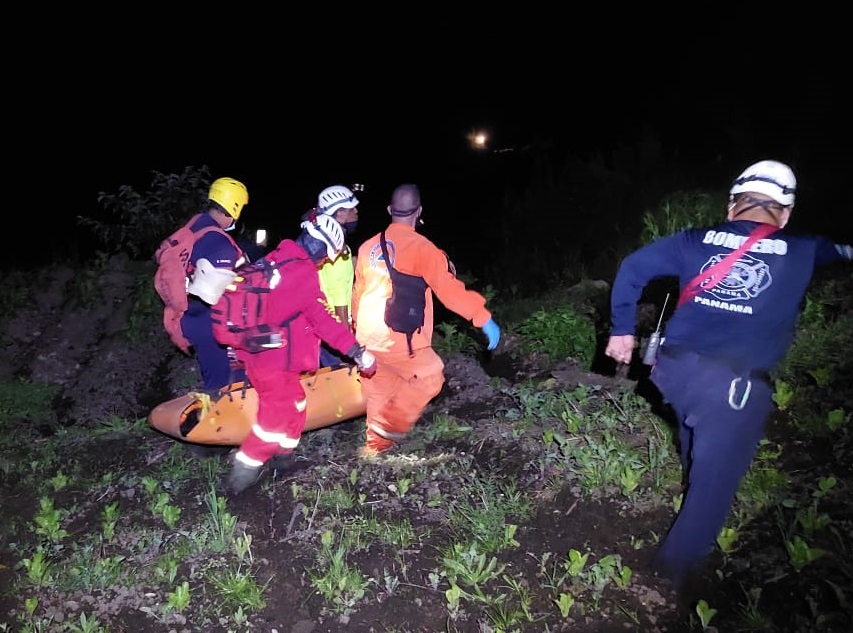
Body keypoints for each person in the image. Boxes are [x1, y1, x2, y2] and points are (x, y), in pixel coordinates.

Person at [604, 159, 853, 591]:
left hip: (672, 372)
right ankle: (667, 582)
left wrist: (623, 331)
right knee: (716, 483)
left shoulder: (692, 240)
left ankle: (694, 473)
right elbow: (843, 252)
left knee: (695, 423)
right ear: (786, 213)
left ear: (732, 205)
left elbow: (632, 269)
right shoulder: (805, 248)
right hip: (733, 387)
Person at [226, 214, 377, 496]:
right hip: (272, 361)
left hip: (262, 353)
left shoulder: (277, 257)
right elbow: (323, 320)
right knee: (272, 422)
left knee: (296, 403)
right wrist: (358, 353)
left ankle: (283, 461)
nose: (324, 262)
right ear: (322, 248)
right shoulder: (302, 273)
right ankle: (240, 479)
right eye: (326, 257)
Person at [351, 183, 502, 456]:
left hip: (367, 335)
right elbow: (450, 291)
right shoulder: (424, 248)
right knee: (430, 376)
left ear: (389, 210)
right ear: (419, 211)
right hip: (399, 335)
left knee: (380, 389)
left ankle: (376, 450)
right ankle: (390, 425)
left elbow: (357, 294)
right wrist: (482, 317)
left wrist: (354, 330)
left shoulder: (366, 248)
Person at [181, 177, 250, 393]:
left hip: (187, 313)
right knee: (225, 384)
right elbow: (216, 292)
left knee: (215, 376)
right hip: (208, 320)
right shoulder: (220, 243)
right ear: (235, 207)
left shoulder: (193, 227)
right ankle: (221, 422)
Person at [304, 185, 361, 367]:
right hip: (334, 334)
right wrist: (349, 350)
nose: (356, 212)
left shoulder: (315, 241)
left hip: (316, 330)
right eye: (351, 209)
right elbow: (339, 303)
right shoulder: (337, 251)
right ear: (339, 213)